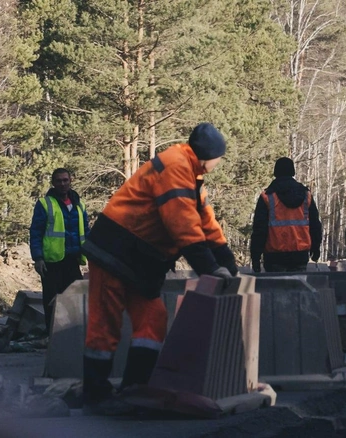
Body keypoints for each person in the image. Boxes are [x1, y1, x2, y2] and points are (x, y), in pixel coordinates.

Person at [80, 122, 239, 415]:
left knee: (153, 318)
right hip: (115, 250)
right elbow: (183, 225)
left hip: (138, 259)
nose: (220, 162)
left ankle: (134, 389)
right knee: (106, 322)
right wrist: (209, 268)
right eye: (220, 157)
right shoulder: (176, 166)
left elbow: (206, 222)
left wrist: (228, 263)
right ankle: (95, 392)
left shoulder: (190, 173)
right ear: (209, 156)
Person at [29, 168, 89, 332]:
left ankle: (72, 335)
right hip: (52, 262)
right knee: (52, 301)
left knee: (75, 300)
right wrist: (38, 258)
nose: (62, 184)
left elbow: (86, 232)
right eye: (59, 181)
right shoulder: (45, 204)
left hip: (73, 259)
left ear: (71, 181)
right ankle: (53, 336)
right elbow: (36, 232)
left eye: (65, 180)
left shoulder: (79, 205)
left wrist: (92, 255)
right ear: (53, 183)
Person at [250, 157, 322, 273]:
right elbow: (315, 225)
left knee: (277, 290)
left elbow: (259, 230)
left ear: (275, 172)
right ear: (293, 172)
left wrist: (256, 257)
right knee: (300, 289)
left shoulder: (267, 197)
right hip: (300, 255)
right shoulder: (306, 195)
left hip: (274, 257)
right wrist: (316, 248)